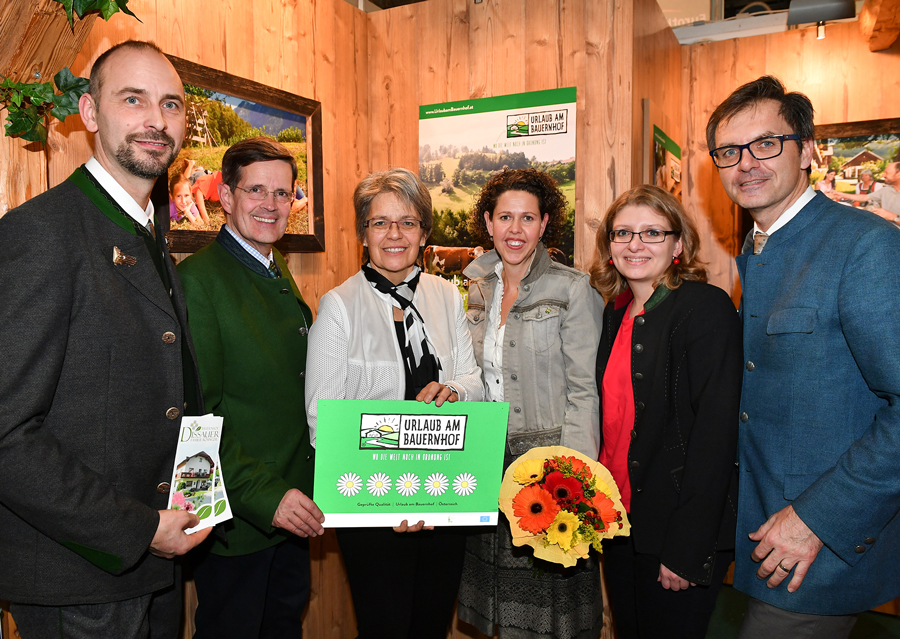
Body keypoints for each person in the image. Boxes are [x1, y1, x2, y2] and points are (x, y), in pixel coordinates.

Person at [0, 40, 210, 638]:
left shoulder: (146, 235)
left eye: (170, 104)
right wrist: (139, 529)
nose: (155, 120)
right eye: (132, 99)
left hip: (154, 571)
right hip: (80, 583)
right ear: (91, 114)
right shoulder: (42, 234)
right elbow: (6, 432)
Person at [707, 75, 900, 637]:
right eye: (729, 151)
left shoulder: (865, 246)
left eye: (767, 144)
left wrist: (818, 517)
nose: (746, 163)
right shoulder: (759, 248)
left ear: (807, 149)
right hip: (765, 534)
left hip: (815, 547)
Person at [304, 168, 483, 639]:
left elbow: (474, 380)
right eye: (380, 222)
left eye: (407, 222)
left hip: (444, 495)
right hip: (373, 506)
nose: (394, 234)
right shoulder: (339, 306)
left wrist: (457, 391)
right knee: (385, 628)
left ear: (424, 232)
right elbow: (323, 419)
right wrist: (390, 499)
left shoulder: (447, 295)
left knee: (430, 626)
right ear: (364, 234)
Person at [177, 137, 324, 639]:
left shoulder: (272, 264)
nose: (271, 204)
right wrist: (267, 497)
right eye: (257, 189)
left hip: (291, 506)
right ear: (226, 196)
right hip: (242, 519)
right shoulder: (199, 279)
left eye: (282, 193)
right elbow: (199, 416)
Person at [456, 168, 605, 639]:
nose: (514, 230)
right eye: (505, 217)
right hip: (485, 463)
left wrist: (573, 478)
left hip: (549, 466)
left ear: (544, 224)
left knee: (549, 613)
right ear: (488, 222)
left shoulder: (573, 288)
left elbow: (585, 390)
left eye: (527, 218)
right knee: (501, 608)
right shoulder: (474, 287)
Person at [590, 184, 742, 639]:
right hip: (619, 520)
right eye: (623, 233)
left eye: (652, 232)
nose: (635, 244)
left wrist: (688, 546)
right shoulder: (615, 314)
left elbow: (715, 436)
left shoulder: (704, 307)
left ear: (679, 245)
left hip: (676, 528)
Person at [832, 161, 900, 223]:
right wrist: (841, 194)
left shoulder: (879, 186)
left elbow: (891, 217)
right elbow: (865, 197)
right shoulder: (886, 190)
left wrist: (894, 217)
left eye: (886, 173)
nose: (883, 175)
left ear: (898, 175)